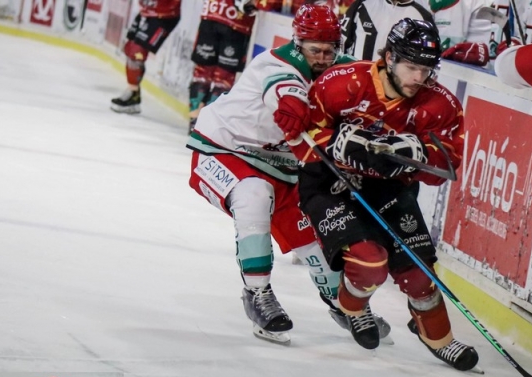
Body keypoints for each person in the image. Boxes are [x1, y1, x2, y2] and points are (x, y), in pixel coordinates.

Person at [187, 4, 391, 345]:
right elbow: (287, 94)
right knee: (253, 195)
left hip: (282, 169)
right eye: (315, 50)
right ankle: (257, 294)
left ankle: (346, 307)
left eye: (329, 50)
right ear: (298, 44)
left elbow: (378, 87)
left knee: (319, 245)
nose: (323, 58)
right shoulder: (277, 64)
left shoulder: (343, 70)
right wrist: (298, 116)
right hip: (224, 151)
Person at [294, 18, 479, 371]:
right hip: (331, 184)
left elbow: (446, 166)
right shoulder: (341, 83)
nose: (419, 78)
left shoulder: (439, 105)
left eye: (426, 69)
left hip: (389, 188)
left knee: (419, 276)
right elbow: (303, 134)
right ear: (389, 57)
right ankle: (353, 308)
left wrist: (419, 155)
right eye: (411, 67)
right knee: (369, 264)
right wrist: (335, 147)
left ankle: (439, 338)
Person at [188, 0, 258, 132]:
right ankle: (203, 125)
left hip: (223, 18)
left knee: (208, 75)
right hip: (228, 19)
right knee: (214, 77)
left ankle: (199, 123)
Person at [110, 0, 182, 114]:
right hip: (146, 10)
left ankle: (133, 94)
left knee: (136, 51)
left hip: (164, 14)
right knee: (130, 48)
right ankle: (134, 93)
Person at [340, 0, 433, 60]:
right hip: (357, 82)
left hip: (395, 87)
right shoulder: (362, 5)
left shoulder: (423, 17)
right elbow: (342, 43)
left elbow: (428, 60)